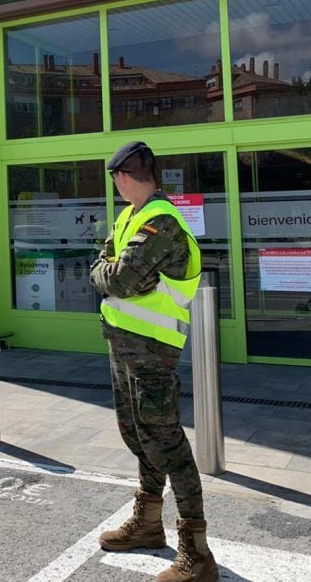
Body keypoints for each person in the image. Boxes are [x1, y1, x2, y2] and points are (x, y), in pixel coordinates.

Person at [90, 141, 218, 582]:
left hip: (152, 350)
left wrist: (110, 272)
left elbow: (118, 279)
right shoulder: (131, 217)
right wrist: (109, 271)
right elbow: (106, 269)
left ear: (122, 177)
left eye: (115, 180)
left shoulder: (161, 221)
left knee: (166, 441)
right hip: (123, 342)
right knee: (138, 434)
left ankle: (196, 551)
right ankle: (147, 523)